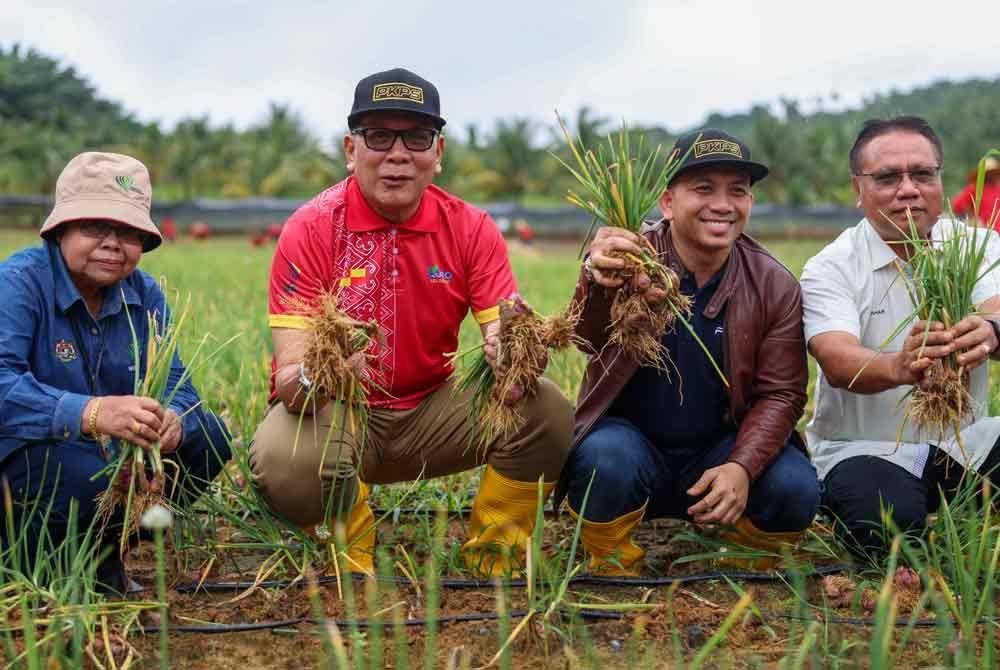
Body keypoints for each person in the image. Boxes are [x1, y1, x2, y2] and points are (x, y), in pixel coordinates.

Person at [250, 68, 573, 577]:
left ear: (437, 152)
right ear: (351, 150)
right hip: (340, 414)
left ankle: (496, 551)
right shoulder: (311, 228)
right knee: (284, 458)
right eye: (379, 136)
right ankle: (351, 549)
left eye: (417, 138)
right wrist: (323, 372)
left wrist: (512, 354)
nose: (398, 154)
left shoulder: (470, 228)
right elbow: (292, 385)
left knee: (546, 410)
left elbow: (503, 332)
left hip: (432, 413)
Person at [557, 129, 820, 576]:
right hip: (631, 448)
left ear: (750, 203)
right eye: (703, 188)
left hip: (721, 451)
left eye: (737, 191)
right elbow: (585, 341)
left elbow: (782, 393)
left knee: (796, 486)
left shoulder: (773, 284)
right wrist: (595, 281)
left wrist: (741, 466)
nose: (722, 204)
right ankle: (611, 556)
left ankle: (742, 553)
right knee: (605, 460)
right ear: (667, 202)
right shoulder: (628, 261)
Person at [0, 152, 232, 593]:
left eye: (128, 232)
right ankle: (36, 559)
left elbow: (178, 383)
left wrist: (174, 420)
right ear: (60, 230)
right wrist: (92, 412)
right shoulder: (17, 284)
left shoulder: (144, 294)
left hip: (108, 459)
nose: (112, 244)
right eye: (94, 227)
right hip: (26, 456)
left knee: (210, 437)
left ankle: (108, 547)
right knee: (84, 470)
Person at [801, 117, 1000, 559]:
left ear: (940, 181)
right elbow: (836, 358)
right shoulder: (832, 266)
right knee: (887, 532)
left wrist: (990, 331)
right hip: (866, 451)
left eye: (922, 174)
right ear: (858, 188)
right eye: (888, 177)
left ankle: (960, 504)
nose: (908, 189)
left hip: (968, 445)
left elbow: (996, 308)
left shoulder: (979, 246)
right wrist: (898, 366)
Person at [952, 156, 1000, 231]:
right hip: (983, 230)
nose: (991, 175)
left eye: (993, 172)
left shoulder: (997, 189)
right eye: (988, 172)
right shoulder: (975, 188)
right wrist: (973, 218)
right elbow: (957, 205)